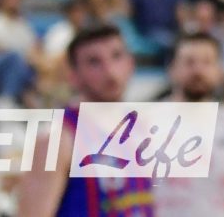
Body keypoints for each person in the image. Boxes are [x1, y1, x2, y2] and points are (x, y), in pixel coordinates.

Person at [15, 24, 156, 216]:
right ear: (73, 76)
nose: (110, 70)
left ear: (131, 63)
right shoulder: (58, 139)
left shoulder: (143, 128)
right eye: (94, 62)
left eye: (116, 56)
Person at [153, 32, 224, 217]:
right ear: (172, 69)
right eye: (189, 62)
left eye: (207, 62)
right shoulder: (148, 121)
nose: (198, 70)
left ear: (219, 71)